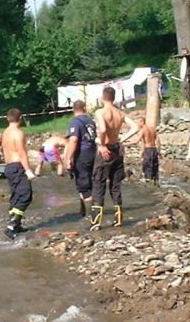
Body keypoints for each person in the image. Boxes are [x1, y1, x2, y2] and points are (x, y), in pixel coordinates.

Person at [89, 86, 139, 230]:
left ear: (102, 98)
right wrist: (121, 140)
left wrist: (102, 145)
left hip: (106, 150)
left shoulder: (100, 112)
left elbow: (103, 129)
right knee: (115, 185)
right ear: (114, 98)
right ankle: (118, 220)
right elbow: (135, 127)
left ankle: (96, 223)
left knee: (99, 183)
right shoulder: (120, 113)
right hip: (117, 149)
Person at [1, 108, 35, 238]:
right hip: (17, 166)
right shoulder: (18, 133)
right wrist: (28, 170)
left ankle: (17, 225)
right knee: (26, 195)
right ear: (20, 118)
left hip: (9, 167)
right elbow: (21, 153)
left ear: (8, 118)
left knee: (16, 195)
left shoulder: (5, 132)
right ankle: (12, 226)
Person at [63, 100, 96, 216]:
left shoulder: (75, 122)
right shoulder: (90, 121)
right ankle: (85, 210)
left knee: (83, 184)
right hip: (93, 152)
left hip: (82, 154)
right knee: (90, 181)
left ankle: (90, 215)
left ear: (73, 109)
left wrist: (68, 158)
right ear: (84, 108)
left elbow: (73, 140)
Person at [136, 116, 162, 184]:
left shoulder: (142, 130)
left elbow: (138, 141)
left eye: (138, 123)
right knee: (155, 169)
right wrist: (159, 152)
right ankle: (156, 183)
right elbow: (158, 141)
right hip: (154, 150)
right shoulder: (152, 129)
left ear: (142, 122)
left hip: (148, 150)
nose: (137, 125)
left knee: (147, 168)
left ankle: (148, 184)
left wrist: (125, 143)